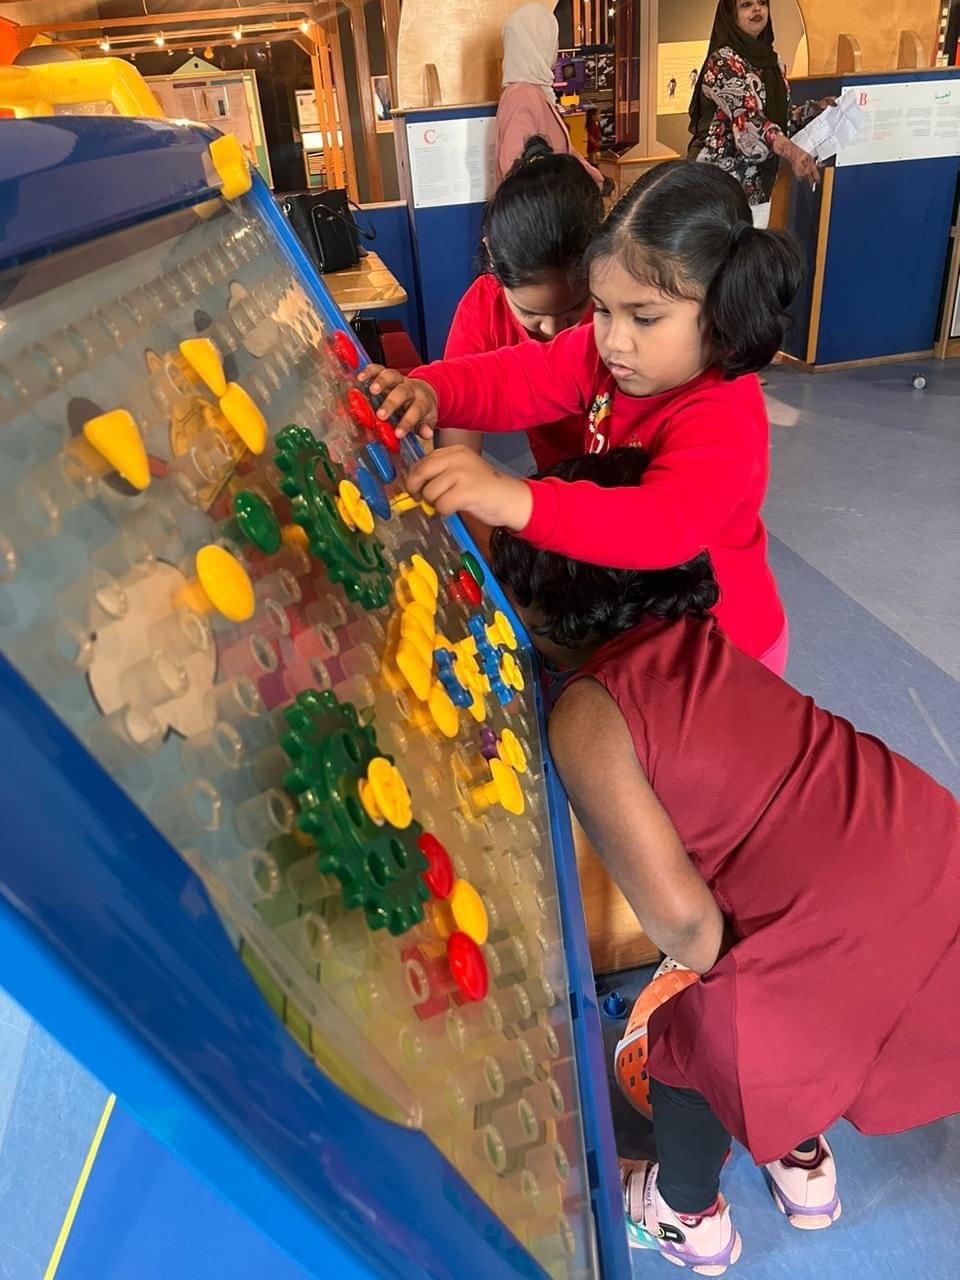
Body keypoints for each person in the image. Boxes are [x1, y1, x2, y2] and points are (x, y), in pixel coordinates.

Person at [489, 446, 960, 1274]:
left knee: (694, 1048)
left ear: (546, 606)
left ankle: (687, 1215)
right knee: (829, 1024)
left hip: (836, 928)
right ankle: (803, 1165)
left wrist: (726, 999)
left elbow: (682, 924)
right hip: (923, 841)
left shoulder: (588, 715)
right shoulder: (695, 634)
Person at [360, 161, 802, 674]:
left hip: (721, 654)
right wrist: (433, 390)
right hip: (638, 624)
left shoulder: (723, 412)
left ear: (722, 310)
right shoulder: (604, 356)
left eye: (645, 318)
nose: (615, 341)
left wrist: (516, 499)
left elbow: (662, 524)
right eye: (603, 310)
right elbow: (518, 377)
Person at [442, 135, 603, 469]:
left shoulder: (619, 307)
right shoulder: (485, 306)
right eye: (530, 313)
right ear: (492, 259)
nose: (554, 330)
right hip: (552, 467)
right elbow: (460, 414)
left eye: (575, 309)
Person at [688, 0, 834, 227]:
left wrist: (815, 110)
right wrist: (792, 152)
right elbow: (748, 119)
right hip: (720, 190)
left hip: (758, 187)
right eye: (746, 4)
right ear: (730, 14)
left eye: (762, 3)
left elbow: (781, 120)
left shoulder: (772, 62)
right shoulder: (722, 61)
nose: (757, 9)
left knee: (752, 249)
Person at [495, 2, 604, 189]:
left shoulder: (535, 92)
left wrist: (595, 179)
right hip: (543, 206)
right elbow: (518, 176)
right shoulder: (521, 97)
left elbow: (565, 154)